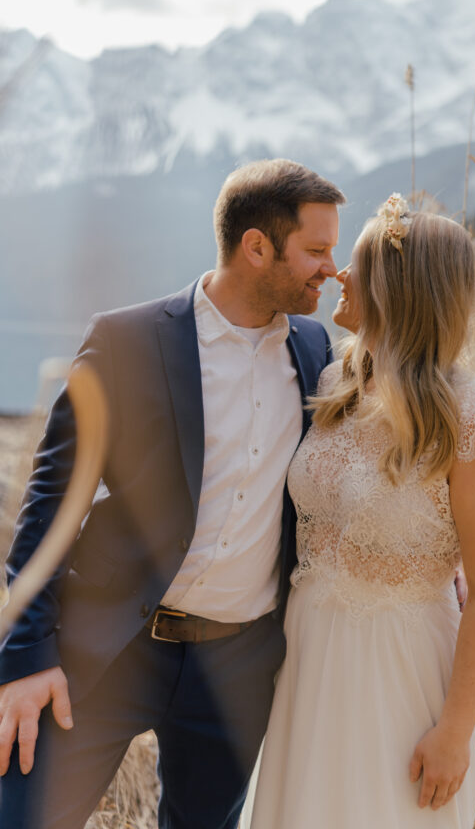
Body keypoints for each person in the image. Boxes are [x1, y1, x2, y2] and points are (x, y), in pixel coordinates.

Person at [0, 158, 345, 829]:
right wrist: (23, 658)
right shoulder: (125, 340)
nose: (330, 269)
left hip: (237, 666)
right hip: (105, 645)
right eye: (316, 250)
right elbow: (48, 507)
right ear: (256, 247)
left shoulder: (314, 346)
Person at [246, 194, 475, 829]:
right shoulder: (335, 381)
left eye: (360, 264)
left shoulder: (472, 423)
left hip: (399, 675)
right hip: (305, 662)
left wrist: (455, 731)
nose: (340, 273)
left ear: (398, 288)